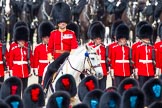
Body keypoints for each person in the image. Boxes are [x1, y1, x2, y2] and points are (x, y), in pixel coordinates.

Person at [9, 26, 33, 92]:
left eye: (23, 40)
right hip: (17, 71)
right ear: (18, 41)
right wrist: (11, 70)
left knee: (25, 88)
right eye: (21, 41)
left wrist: (31, 68)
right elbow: (10, 60)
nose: (22, 42)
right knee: (17, 89)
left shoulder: (26, 49)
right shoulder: (14, 49)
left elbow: (31, 59)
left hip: (25, 71)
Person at [87, 21, 108, 90]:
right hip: (93, 70)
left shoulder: (103, 47)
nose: (99, 40)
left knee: (102, 88)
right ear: (94, 38)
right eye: (97, 39)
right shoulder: (89, 46)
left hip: (103, 71)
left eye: (100, 39)